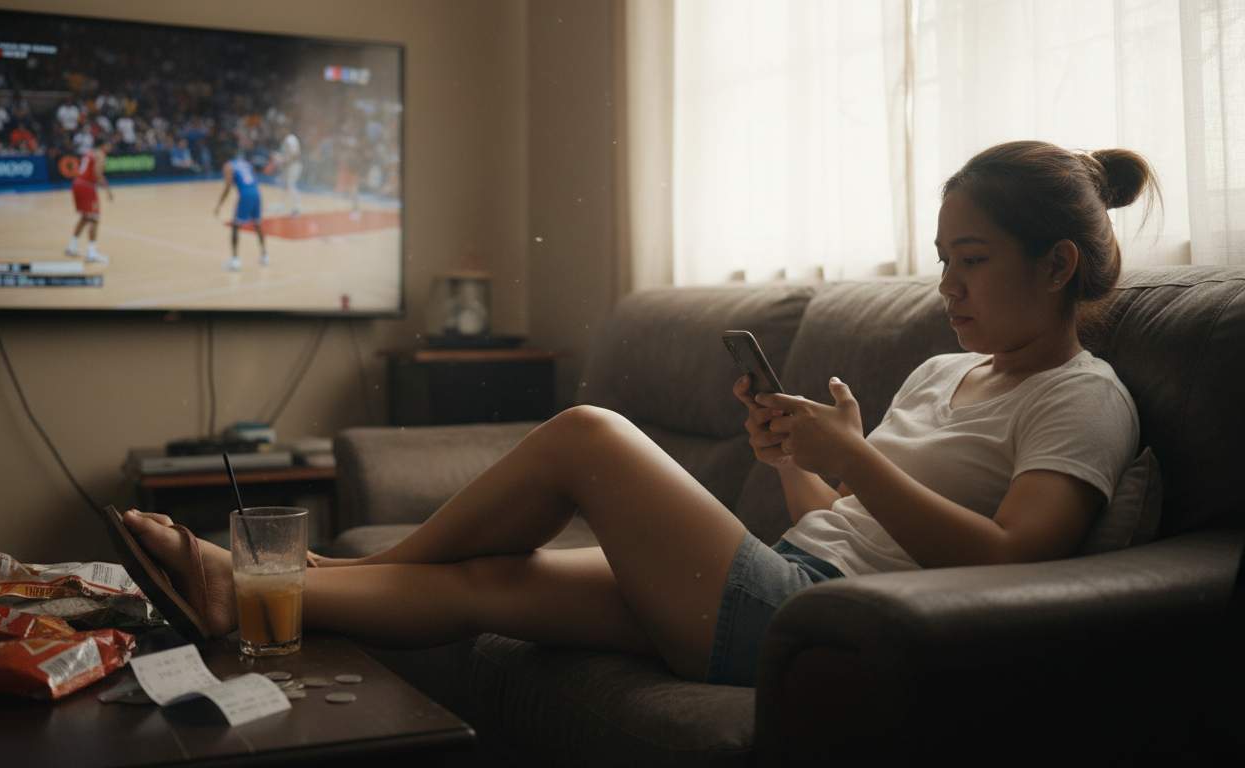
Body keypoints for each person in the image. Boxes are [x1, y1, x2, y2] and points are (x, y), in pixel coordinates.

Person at [123, 140, 1155, 687]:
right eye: (943, 262)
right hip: (793, 576)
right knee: (490, 584)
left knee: (587, 435)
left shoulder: (1082, 399)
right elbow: (831, 523)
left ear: (1056, 263)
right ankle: (251, 596)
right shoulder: (944, 373)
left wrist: (858, 460)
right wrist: (800, 455)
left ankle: (289, 573)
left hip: (813, 624)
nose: (949, 289)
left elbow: (1018, 564)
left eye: (971, 263)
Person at [214, 143, 268, 270]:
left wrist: (219, 205)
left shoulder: (228, 166)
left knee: (235, 226)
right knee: (258, 224)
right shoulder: (245, 163)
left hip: (246, 195)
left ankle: (235, 260)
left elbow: (227, 187)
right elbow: (253, 178)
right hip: (256, 193)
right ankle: (264, 255)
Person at [66, 137, 112, 264]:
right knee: (94, 218)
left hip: (77, 183)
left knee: (85, 218)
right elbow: (97, 173)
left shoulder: (88, 153)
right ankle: (92, 254)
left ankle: (72, 247)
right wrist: (107, 189)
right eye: (109, 145)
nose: (110, 148)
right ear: (104, 145)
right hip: (87, 186)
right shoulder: (101, 155)